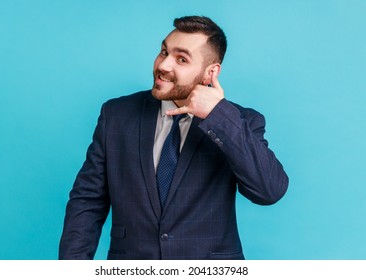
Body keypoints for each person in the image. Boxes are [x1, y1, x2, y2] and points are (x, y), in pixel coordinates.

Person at [59, 15, 289, 260]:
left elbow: (269, 191)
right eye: (163, 52)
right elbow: (87, 202)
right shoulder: (116, 115)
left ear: (210, 73)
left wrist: (219, 115)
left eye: (181, 59)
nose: (163, 65)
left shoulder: (241, 122)